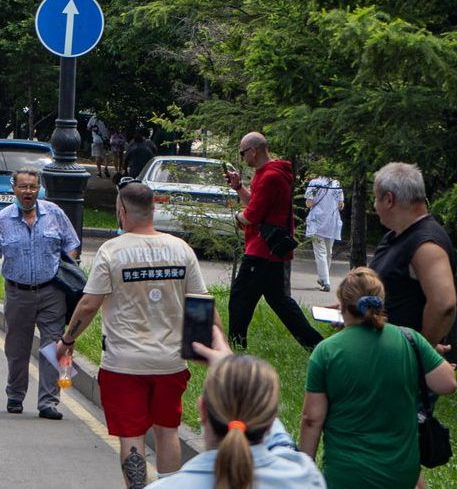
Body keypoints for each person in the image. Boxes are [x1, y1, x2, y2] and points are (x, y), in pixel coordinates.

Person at [58, 182, 209, 488]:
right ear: (153, 210)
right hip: (170, 362)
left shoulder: (112, 250)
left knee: (132, 434)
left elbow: (88, 304)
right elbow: (201, 304)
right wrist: (210, 352)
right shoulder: (181, 249)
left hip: (123, 363)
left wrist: (67, 341)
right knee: (168, 430)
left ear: (121, 212)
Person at [299, 267, 457, 489]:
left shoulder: (326, 352)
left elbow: (311, 419)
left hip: (346, 475)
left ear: (342, 306)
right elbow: (447, 383)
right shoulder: (410, 339)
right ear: (381, 303)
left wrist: (304, 472)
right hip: (401, 475)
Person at [149, 332, 323, 489]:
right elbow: (282, 445)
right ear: (270, 418)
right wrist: (236, 372)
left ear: (202, 410)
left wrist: (228, 369)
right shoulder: (304, 478)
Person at [0, 167, 81, 419]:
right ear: (13, 188)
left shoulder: (54, 213)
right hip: (17, 293)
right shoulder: (3, 219)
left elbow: (72, 244)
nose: (28, 192)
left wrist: (65, 269)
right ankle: (15, 395)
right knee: (17, 348)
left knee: (52, 346)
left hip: (52, 292)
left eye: (32, 187)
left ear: (39, 189)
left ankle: (48, 401)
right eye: (23, 187)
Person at [225, 132, 322, 349]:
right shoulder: (266, 173)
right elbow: (258, 205)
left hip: (262, 250)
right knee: (281, 303)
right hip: (268, 249)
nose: (242, 158)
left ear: (253, 150)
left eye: (242, 153)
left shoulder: (270, 176)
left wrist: (237, 217)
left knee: (240, 299)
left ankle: (235, 348)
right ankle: (316, 346)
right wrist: (239, 187)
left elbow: (252, 215)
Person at [366, 161, 457, 365]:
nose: (375, 206)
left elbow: (444, 304)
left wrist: (420, 351)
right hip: (384, 356)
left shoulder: (426, 244)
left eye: (376, 198)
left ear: (389, 199)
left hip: (402, 365)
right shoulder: (395, 236)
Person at [302, 171, 343, 292]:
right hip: (332, 222)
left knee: (321, 253)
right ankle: (323, 278)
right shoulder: (337, 183)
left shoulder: (314, 183)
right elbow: (341, 205)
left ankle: (326, 282)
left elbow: (309, 203)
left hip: (317, 222)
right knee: (328, 251)